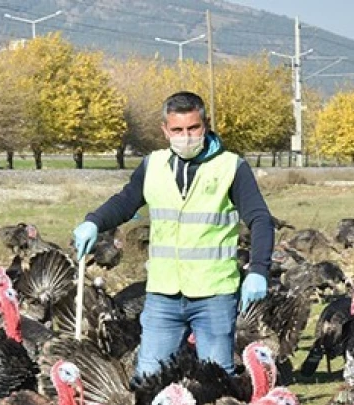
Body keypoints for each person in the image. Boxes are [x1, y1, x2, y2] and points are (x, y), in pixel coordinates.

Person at [72, 91, 275, 379]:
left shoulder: (230, 167)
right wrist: (94, 222)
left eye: (193, 128)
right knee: (149, 379)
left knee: (216, 381)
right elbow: (125, 202)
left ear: (204, 125)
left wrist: (259, 270)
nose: (186, 136)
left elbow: (260, 219)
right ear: (165, 130)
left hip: (213, 293)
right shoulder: (152, 165)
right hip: (163, 294)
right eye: (177, 130)